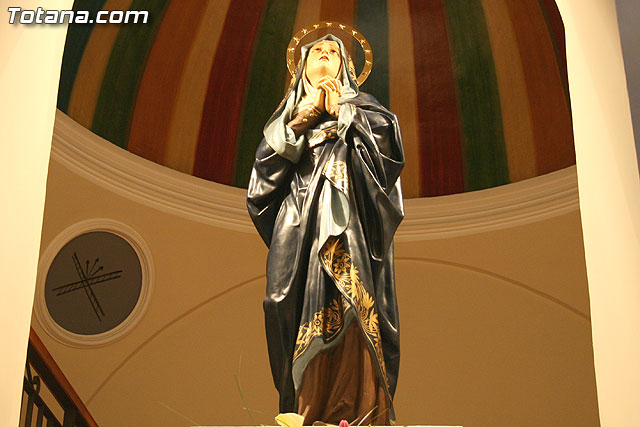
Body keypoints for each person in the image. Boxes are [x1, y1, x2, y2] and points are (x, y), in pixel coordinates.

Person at [247, 34, 404, 425]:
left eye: (334, 52)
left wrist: (344, 115)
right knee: (281, 301)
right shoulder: (286, 120)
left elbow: (388, 160)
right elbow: (261, 182)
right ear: (301, 68)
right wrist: (305, 118)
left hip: (350, 216)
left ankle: (354, 408)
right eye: (316, 51)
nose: (324, 55)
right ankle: (301, 403)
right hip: (298, 215)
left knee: (349, 297)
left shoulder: (368, 111)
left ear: (346, 70)